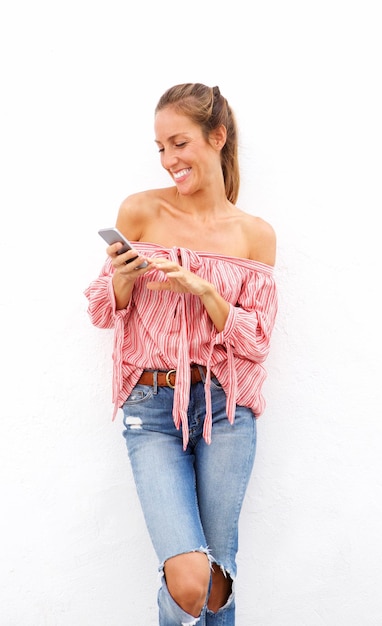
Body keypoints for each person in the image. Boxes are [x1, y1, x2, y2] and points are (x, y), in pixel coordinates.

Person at [84, 82, 278, 625]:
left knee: (218, 581)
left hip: (226, 411)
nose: (170, 160)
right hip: (152, 407)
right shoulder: (140, 211)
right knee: (189, 578)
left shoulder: (254, 235)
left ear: (216, 138)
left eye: (179, 143)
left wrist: (208, 292)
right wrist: (122, 283)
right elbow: (102, 310)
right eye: (160, 148)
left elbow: (257, 342)